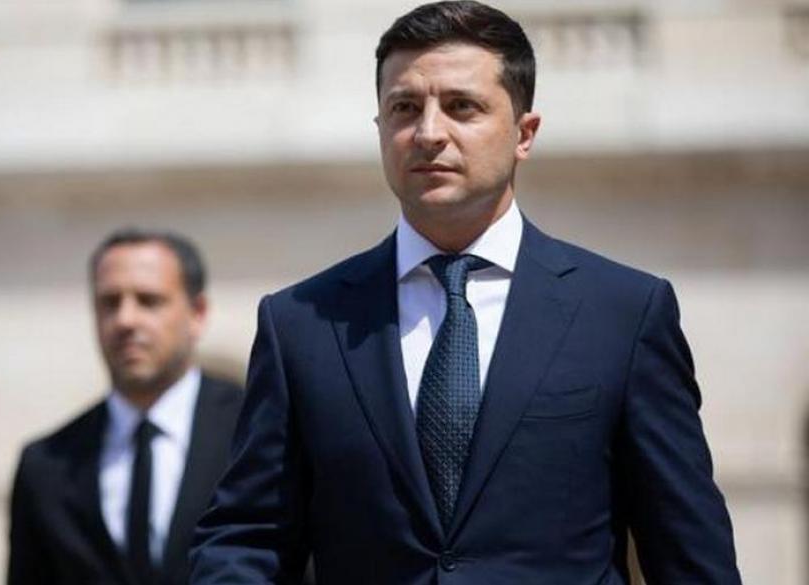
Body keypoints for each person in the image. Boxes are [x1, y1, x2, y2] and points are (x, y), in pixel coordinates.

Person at [190, 2, 742, 584]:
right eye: (405, 108)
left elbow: (688, 551)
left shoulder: (623, 314)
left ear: (524, 134)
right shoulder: (301, 323)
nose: (429, 133)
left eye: (461, 107)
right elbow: (248, 537)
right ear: (381, 130)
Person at [8, 229, 243, 585]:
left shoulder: (256, 433)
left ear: (197, 313)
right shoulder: (46, 465)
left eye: (148, 301)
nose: (125, 320)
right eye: (110, 302)